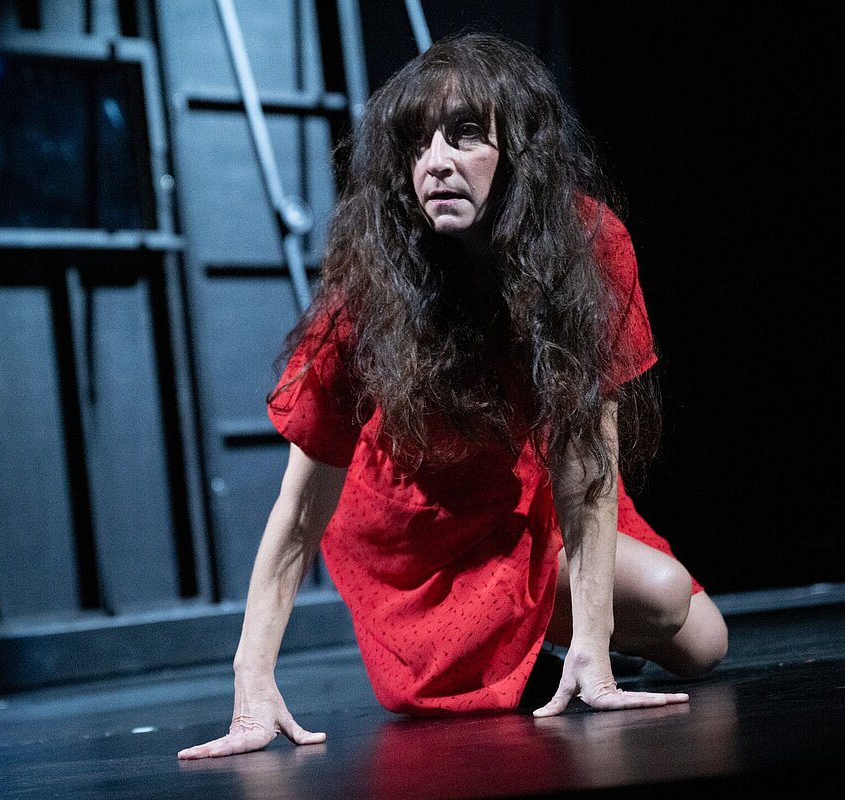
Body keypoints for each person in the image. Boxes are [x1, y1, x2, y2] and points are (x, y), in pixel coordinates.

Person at [177, 31, 728, 760]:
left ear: (521, 152)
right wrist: (251, 682)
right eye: (418, 142)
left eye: (465, 135)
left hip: (526, 478)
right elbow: (301, 509)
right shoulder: (372, 286)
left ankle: (555, 645)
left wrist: (595, 653)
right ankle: (517, 645)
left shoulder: (589, 245)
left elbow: (587, 463)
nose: (435, 161)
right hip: (421, 520)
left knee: (703, 641)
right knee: (656, 593)